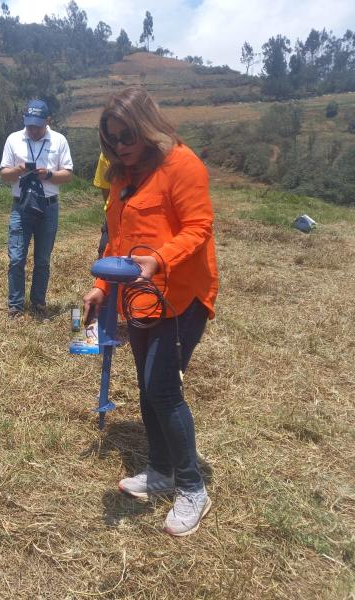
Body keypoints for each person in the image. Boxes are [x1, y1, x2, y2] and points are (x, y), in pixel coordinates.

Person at [82, 88, 219, 537]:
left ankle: (192, 487)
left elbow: (199, 227)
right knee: (147, 386)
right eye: (112, 138)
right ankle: (160, 470)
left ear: (146, 126)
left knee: (162, 389)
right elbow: (118, 243)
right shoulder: (123, 175)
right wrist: (102, 287)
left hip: (179, 295)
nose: (121, 145)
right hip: (139, 298)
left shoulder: (182, 164)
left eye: (127, 135)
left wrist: (159, 259)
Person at [0, 99, 73, 318]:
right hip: (21, 206)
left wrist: (49, 174)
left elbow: (68, 174)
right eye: (29, 125)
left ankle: (38, 303)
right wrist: (18, 170)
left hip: (48, 207)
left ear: (48, 121)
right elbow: (4, 174)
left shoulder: (59, 140)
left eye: (37, 126)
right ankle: (15, 305)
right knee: (16, 258)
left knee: (42, 259)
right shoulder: (14, 139)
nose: (32, 130)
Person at [93, 152, 111, 258]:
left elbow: (105, 189)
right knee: (104, 254)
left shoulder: (106, 152)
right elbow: (105, 188)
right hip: (112, 218)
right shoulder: (106, 153)